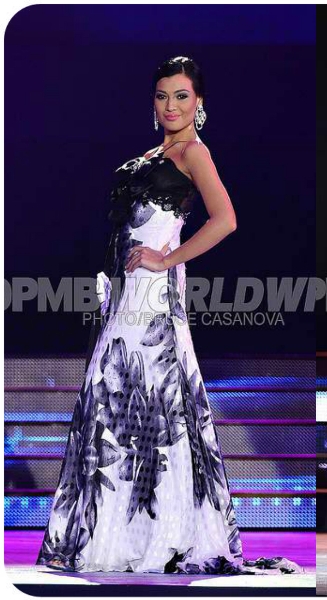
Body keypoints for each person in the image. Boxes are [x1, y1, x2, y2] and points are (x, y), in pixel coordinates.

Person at [36, 56, 300, 576]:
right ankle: (112, 539)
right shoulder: (152, 155)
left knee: (153, 406)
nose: (170, 105)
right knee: (112, 404)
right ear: (152, 102)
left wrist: (166, 258)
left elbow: (226, 220)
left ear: (198, 103)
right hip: (123, 296)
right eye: (162, 96)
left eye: (181, 96)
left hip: (152, 297)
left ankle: (164, 538)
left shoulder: (194, 152)